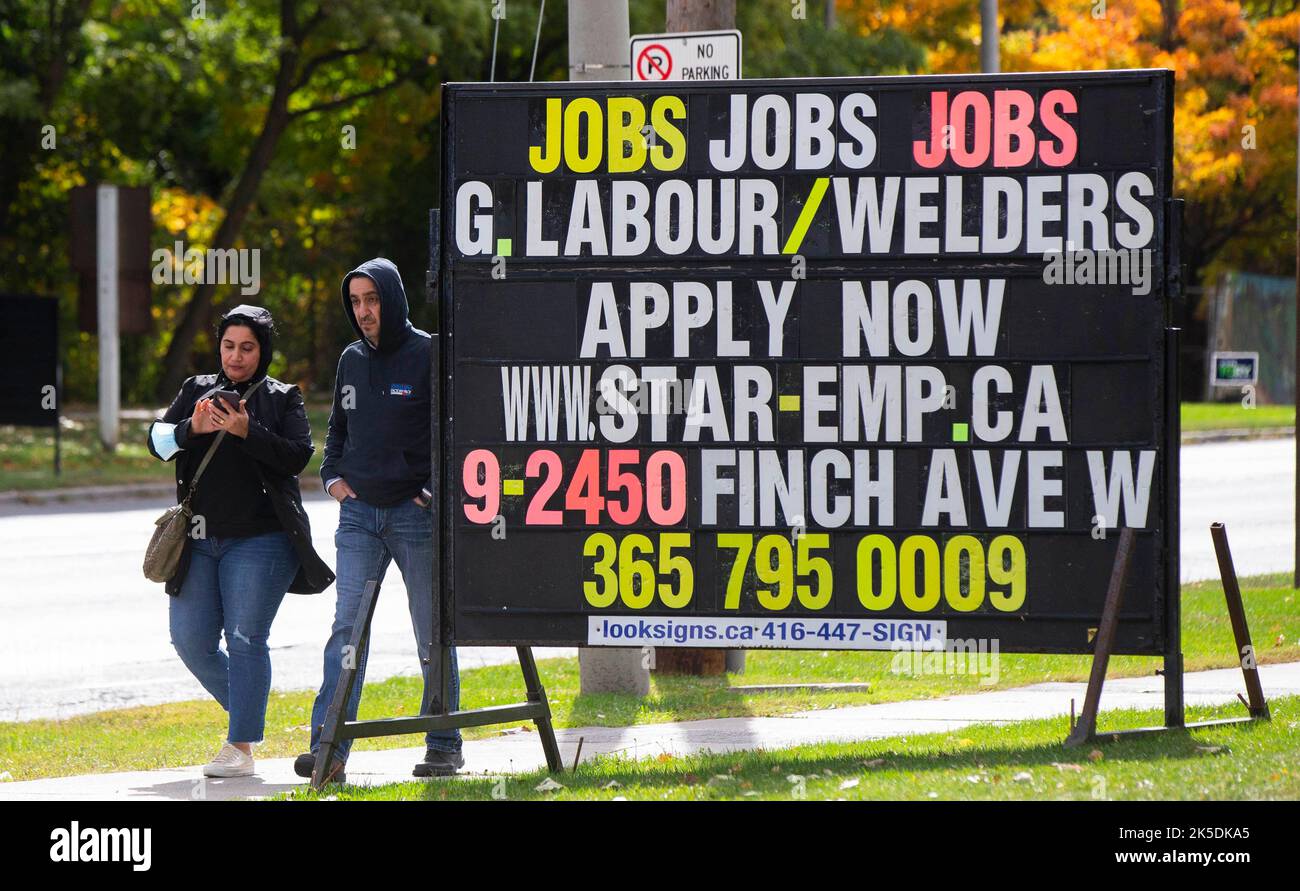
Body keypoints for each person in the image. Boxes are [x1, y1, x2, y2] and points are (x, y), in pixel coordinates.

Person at [148, 304, 335, 778]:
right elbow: (156, 442)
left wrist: (247, 431)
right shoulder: (197, 390)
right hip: (199, 540)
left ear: (263, 350)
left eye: (247, 347)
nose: (235, 356)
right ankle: (250, 712)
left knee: (247, 638)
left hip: (261, 540)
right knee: (190, 639)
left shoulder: (281, 398)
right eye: (229, 345)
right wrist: (194, 428)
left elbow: (297, 458)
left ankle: (241, 745)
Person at [295, 257, 462, 784]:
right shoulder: (350, 360)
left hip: (415, 516)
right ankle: (330, 747)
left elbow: (453, 429)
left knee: (431, 632)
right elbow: (337, 431)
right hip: (360, 516)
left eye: (372, 300)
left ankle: (443, 743)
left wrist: (434, 492)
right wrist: (331, 479)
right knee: (347, 629)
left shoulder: (429, 352)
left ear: (392, 299)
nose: (364, 311)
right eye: (356, 302)